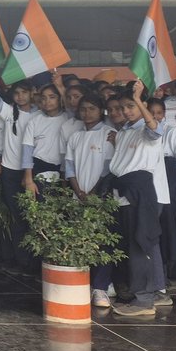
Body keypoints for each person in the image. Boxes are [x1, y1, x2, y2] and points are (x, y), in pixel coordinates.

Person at [109, 82, 172, 317]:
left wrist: (138, 99)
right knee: (142, 244)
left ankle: (144, 300)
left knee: (140, 244)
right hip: (125, 192)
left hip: (141, 193)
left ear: (141, 105)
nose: (126, 111)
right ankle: (150, 294)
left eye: (130, 106)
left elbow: (154, 129)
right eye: (122, 107)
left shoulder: (147, 130)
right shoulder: (125, 131)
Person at [0, 62, 35, 270]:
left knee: (31, 217)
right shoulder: (10, 112)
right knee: (14, 216)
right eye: (16, 93)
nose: (20, 96)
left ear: (32, 93)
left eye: (24, 92)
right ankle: (18, 260)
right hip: (10, 170)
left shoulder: (39, 116)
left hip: (31, 172)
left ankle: (32, 262)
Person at [64, 93, 116, 307]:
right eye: (83, 109)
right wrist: (78, 191)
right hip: (79, 195)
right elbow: (69, 167)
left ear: (101, 111)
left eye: (92, 108)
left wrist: (93, 192)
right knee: (81, 239)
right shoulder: (75, 137)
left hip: (100, 196)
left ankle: (101, 287)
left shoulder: (108, 134)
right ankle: (84, 283)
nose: (87, 113)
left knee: (102, 241)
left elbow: (108, 168)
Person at [147, 97, 176, 286]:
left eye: (159, 113)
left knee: (171, 234)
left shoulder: (172, 133)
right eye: (151, 112)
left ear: (164, 114)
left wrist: (162, 167)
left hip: (173, 192)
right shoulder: (143, 133)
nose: (155, 116)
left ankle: (172, 273)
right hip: (154, 192)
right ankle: (159, 273)